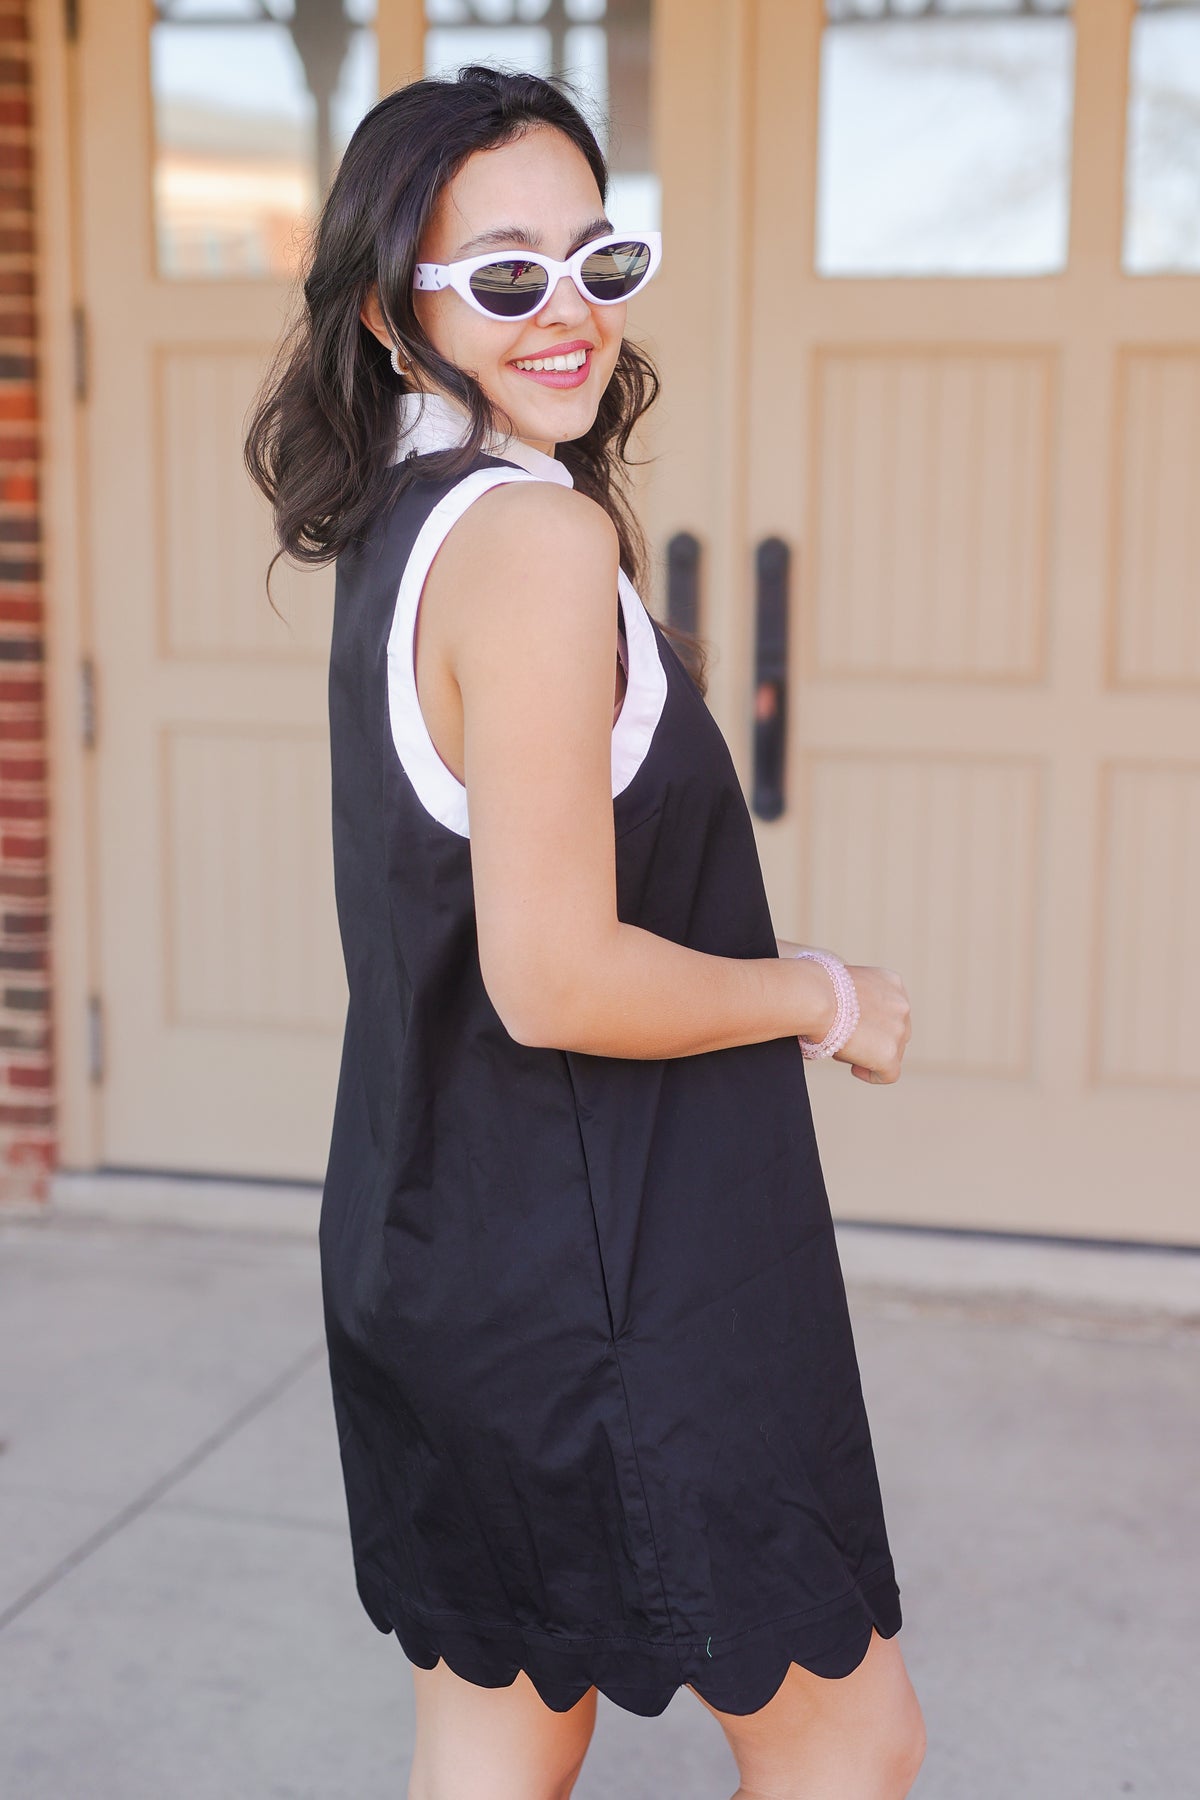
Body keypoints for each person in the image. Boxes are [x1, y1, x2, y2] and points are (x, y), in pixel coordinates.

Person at [245, 63, 924, 1800]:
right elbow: (555, 976)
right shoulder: (529, 546)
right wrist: (820, 994)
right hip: (612, 1288)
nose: (566, 311)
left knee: (498, 1734)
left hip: (443, 1262)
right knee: (848, 1741)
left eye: (596, 258)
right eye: (503, 274)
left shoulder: (404, 535)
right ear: (402, 312)